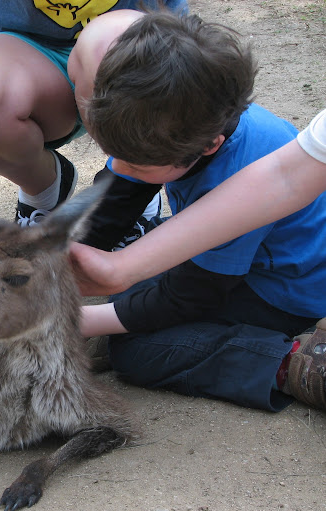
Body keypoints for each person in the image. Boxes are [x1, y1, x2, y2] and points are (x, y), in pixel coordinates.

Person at [64, 12, 326, 412]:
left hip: (288, 288)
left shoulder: (244, 171)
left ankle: (291, 362)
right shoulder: (165, 123)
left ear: (208, 146)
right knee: (129, 296)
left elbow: (195, 292)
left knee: (139, 352)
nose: (123, 167)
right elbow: (113, 202)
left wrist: (76, 322)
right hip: (234, 263)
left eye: (136, 164)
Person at [0, 0, 187, 261]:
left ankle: (134, 186)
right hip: (34, 59)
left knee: (112, 45)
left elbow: (176, 41)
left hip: (132, 55)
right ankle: (45, 193)